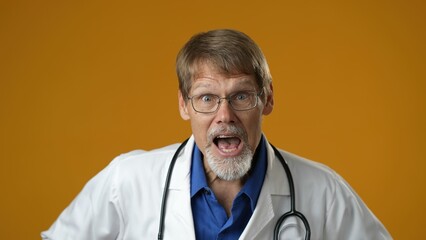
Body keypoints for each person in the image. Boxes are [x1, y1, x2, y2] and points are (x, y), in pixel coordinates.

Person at [41, 29, 392, 240]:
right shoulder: (128, 180)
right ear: (184, 105)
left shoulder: (324, 191)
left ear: (267, 99)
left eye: (241, 96)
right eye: (207, 98)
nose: (225, 116)